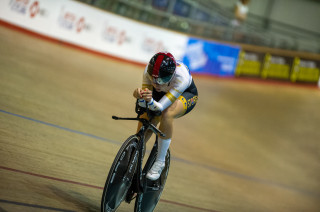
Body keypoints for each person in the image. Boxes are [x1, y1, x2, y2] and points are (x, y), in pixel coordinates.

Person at [133, 52, 198, 180]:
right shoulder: (148, 71)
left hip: (184, 94)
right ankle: (134, 153)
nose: (156, 84)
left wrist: (149, 101)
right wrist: (139, 96)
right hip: (162, 94)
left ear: (171, 75)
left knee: (167, 114)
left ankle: (160, 162)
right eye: (153, 79)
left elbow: (160, 107)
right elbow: (146, 103)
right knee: (148, 116)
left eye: (162, 80)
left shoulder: (181, 78)